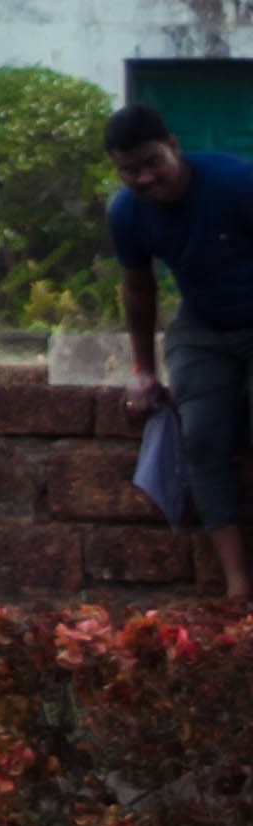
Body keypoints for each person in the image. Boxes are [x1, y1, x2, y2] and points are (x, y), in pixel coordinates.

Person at [105, 101, 253, 610]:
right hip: (202, 327)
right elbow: (139, 289)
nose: (145, 178)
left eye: (153, 162)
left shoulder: (235, 183)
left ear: (174, 147)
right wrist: (143, 370)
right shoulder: (127, 213)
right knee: (203, 437)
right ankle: (238, 587)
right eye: (131, 170)